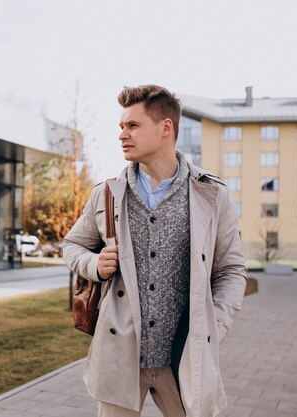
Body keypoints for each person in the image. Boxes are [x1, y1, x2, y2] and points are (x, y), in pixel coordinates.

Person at [62, 85, 247, 417]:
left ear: (166, 128)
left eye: (132, 125)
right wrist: (93, 264)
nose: (122, 135)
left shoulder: (211, 195)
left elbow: (232, 270)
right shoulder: (106, 194)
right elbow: (71, 245)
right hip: (120, 359)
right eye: (121, 126)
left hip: (183, 361)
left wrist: (213, 325)